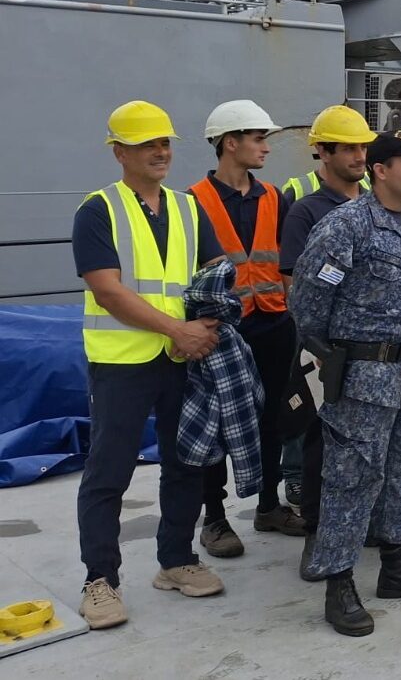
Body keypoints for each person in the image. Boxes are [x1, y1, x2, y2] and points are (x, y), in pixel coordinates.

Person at [288, 131, 401, 637]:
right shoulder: (346, 227)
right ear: (380, 170)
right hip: (363, 378)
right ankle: (339, 582)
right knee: (352, 478)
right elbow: (308, 305)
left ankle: (397, 563)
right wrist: (342, 355)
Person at [73, 101, 227, 630]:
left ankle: (176, 559)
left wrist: (207, 326)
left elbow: (213, 273)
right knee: (108, 473)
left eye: (165, 143)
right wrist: (177, 330)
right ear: (120, 152)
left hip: (181, 359)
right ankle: (101, 580)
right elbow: (109, 291)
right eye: (147, 144)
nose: (161, 152)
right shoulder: (98, 211)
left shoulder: (186, 208)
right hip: (123, 362)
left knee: (185, 463)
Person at [188, 101, 303, 563]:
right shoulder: (192, 201)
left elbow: (287, 263)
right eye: (258, 138)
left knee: (276, 416)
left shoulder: (275, 198)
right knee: (215, 424)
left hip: (273, 321)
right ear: (230, 142)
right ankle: (214, 517)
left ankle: (269, 505)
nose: (266, 148)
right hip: (222, 329)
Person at [278, 105, 379, 579]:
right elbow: (297, 287)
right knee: (321, 438)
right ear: (324, 152)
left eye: (363, 146)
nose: (360, 155)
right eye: (350, 147)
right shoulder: (308, 211)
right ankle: (317, 531)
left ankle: (370, 523)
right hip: (327, 351)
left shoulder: (378, 204)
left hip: (375, 349)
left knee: (372, 439)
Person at [282, 105, 374, 205]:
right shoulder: (298, 192)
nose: (361, 158)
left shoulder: (375, 186)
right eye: (349, 149)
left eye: (364, 147)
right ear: (323, 152)